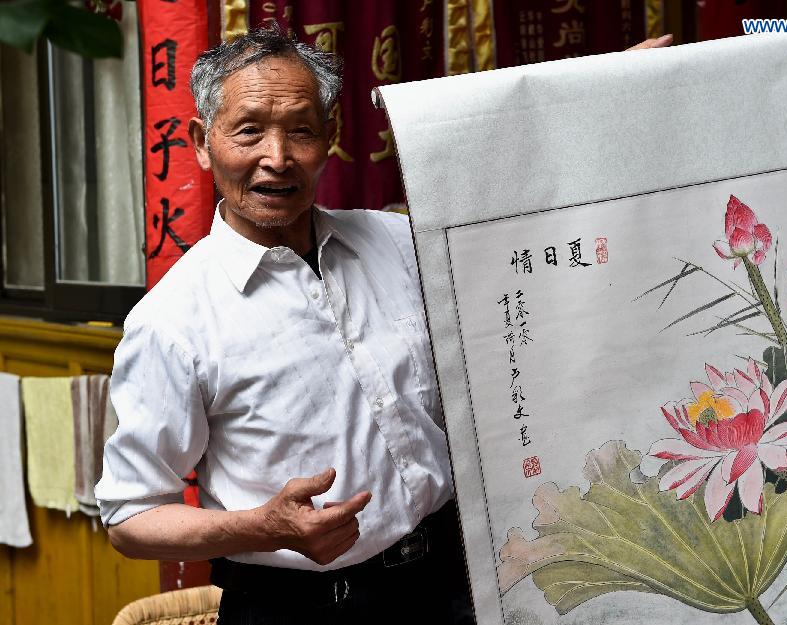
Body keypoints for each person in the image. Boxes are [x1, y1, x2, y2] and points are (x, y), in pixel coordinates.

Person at [96, 26, 672, 625]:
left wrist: (598, 88)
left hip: (454, 583)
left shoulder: (395, 242)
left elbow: (505, 201)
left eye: (300, 129)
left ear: (330, 138)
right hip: (298, 610)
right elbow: (129, 516)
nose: (277, 156)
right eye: (249, 130)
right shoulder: (171, 322)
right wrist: (263, 526)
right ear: (201, 141)